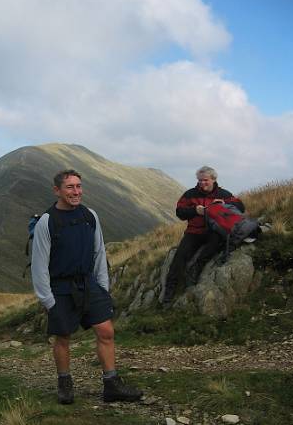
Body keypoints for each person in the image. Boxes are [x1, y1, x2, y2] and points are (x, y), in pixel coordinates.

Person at [31, 169, 142, 404]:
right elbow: (39, 265)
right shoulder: (47, 222)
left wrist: (102, 286)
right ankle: (64, 383)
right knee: (63, 338)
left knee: (106, 332)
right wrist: (48, 300)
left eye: (79, 186)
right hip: (60, 288)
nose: (76, 191)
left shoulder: (90, 215)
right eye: (70, 187)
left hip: (89, 283)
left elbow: (99, 251)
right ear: (57, 190)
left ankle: (111, 385)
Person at [162, 166, 245, 303]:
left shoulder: (223, 194)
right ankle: (169, 292)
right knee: (179, 257)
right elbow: (180, 212)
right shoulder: (190, 194)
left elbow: (240, 206)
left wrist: (224, 203)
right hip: (194, 232)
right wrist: (195, 210)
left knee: (215, 242)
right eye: (200, 180)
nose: (202, 183)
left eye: (205, 180)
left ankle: (196, 269)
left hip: (214, 231)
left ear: (213, 179)